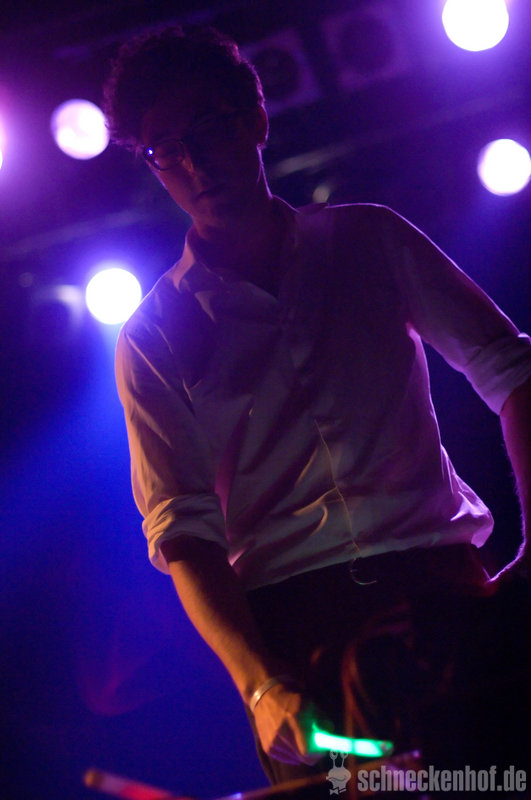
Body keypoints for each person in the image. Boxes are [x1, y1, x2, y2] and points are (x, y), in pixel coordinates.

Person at [104, 25, 531, 790]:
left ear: (255, 118)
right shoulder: (151, 335)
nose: (194, 163)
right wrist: (258, 685)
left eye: (209, 127)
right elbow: (183, 532)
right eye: (165, 149)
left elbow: (513, 370)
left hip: (444, 595)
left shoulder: (369, 239)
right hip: (300, 645)